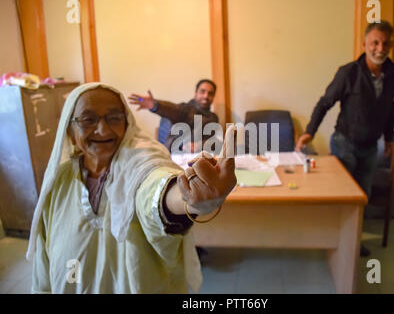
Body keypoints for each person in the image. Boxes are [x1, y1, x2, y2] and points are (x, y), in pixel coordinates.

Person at [26, 82, 237, 293]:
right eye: (88, 119)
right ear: (70, 130)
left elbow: (154, 186)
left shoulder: (140, 160)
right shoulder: (59, 181)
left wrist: (185, 198)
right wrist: (156, 106)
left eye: (114, 118)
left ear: (127, 124)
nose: (103, 129)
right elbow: (44, 268)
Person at [295, 21, 394, 257]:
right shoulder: (349, 72)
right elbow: (324, 103)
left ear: (391, 44)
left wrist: (389, 137)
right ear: (365, 44)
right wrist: (310, 131)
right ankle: (334, 241)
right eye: (375, 42)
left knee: (362, 196)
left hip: (371, 147)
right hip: (344, 143)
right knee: (343, 198)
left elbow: (391, 108)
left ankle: (352, 242)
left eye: (385, 43)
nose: (380, 48)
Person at [128, 79, 219, 153]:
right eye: (202, 91)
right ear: (195, 94)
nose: (206, 96)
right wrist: (155, 105)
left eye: (210, 93)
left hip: (203, 159)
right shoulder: (186, 109)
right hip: (176, 155)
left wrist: (199, 145)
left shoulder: (213, 118)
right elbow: (174, 109)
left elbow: (216, 142)